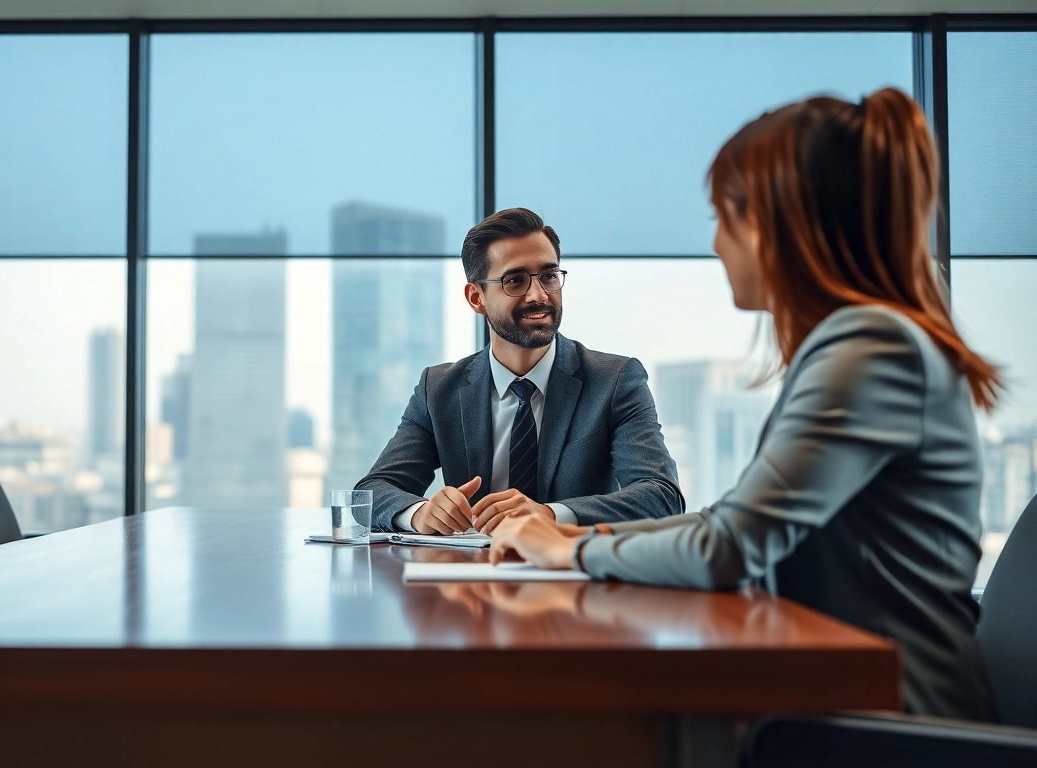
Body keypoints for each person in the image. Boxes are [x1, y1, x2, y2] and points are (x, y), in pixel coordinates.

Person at [488, 88, 1002, 721]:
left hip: (893, 719)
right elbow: (728, 521)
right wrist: (575, 532)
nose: (715, 246)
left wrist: (569, 547)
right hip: (841, 691)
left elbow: (730, 544)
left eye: (722, 219)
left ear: (771, 227)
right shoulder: (857, 345)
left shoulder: (871, 350)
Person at [356, 208, 685, 535]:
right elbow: (371, 491)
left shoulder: (614, 381)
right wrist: (419, 513)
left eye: (549, 276)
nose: (539, 295)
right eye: (515, 280)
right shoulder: (439, 389)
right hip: (470, 578)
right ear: (476, 297)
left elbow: (662, 495)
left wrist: (550, 515)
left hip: (575, 573)